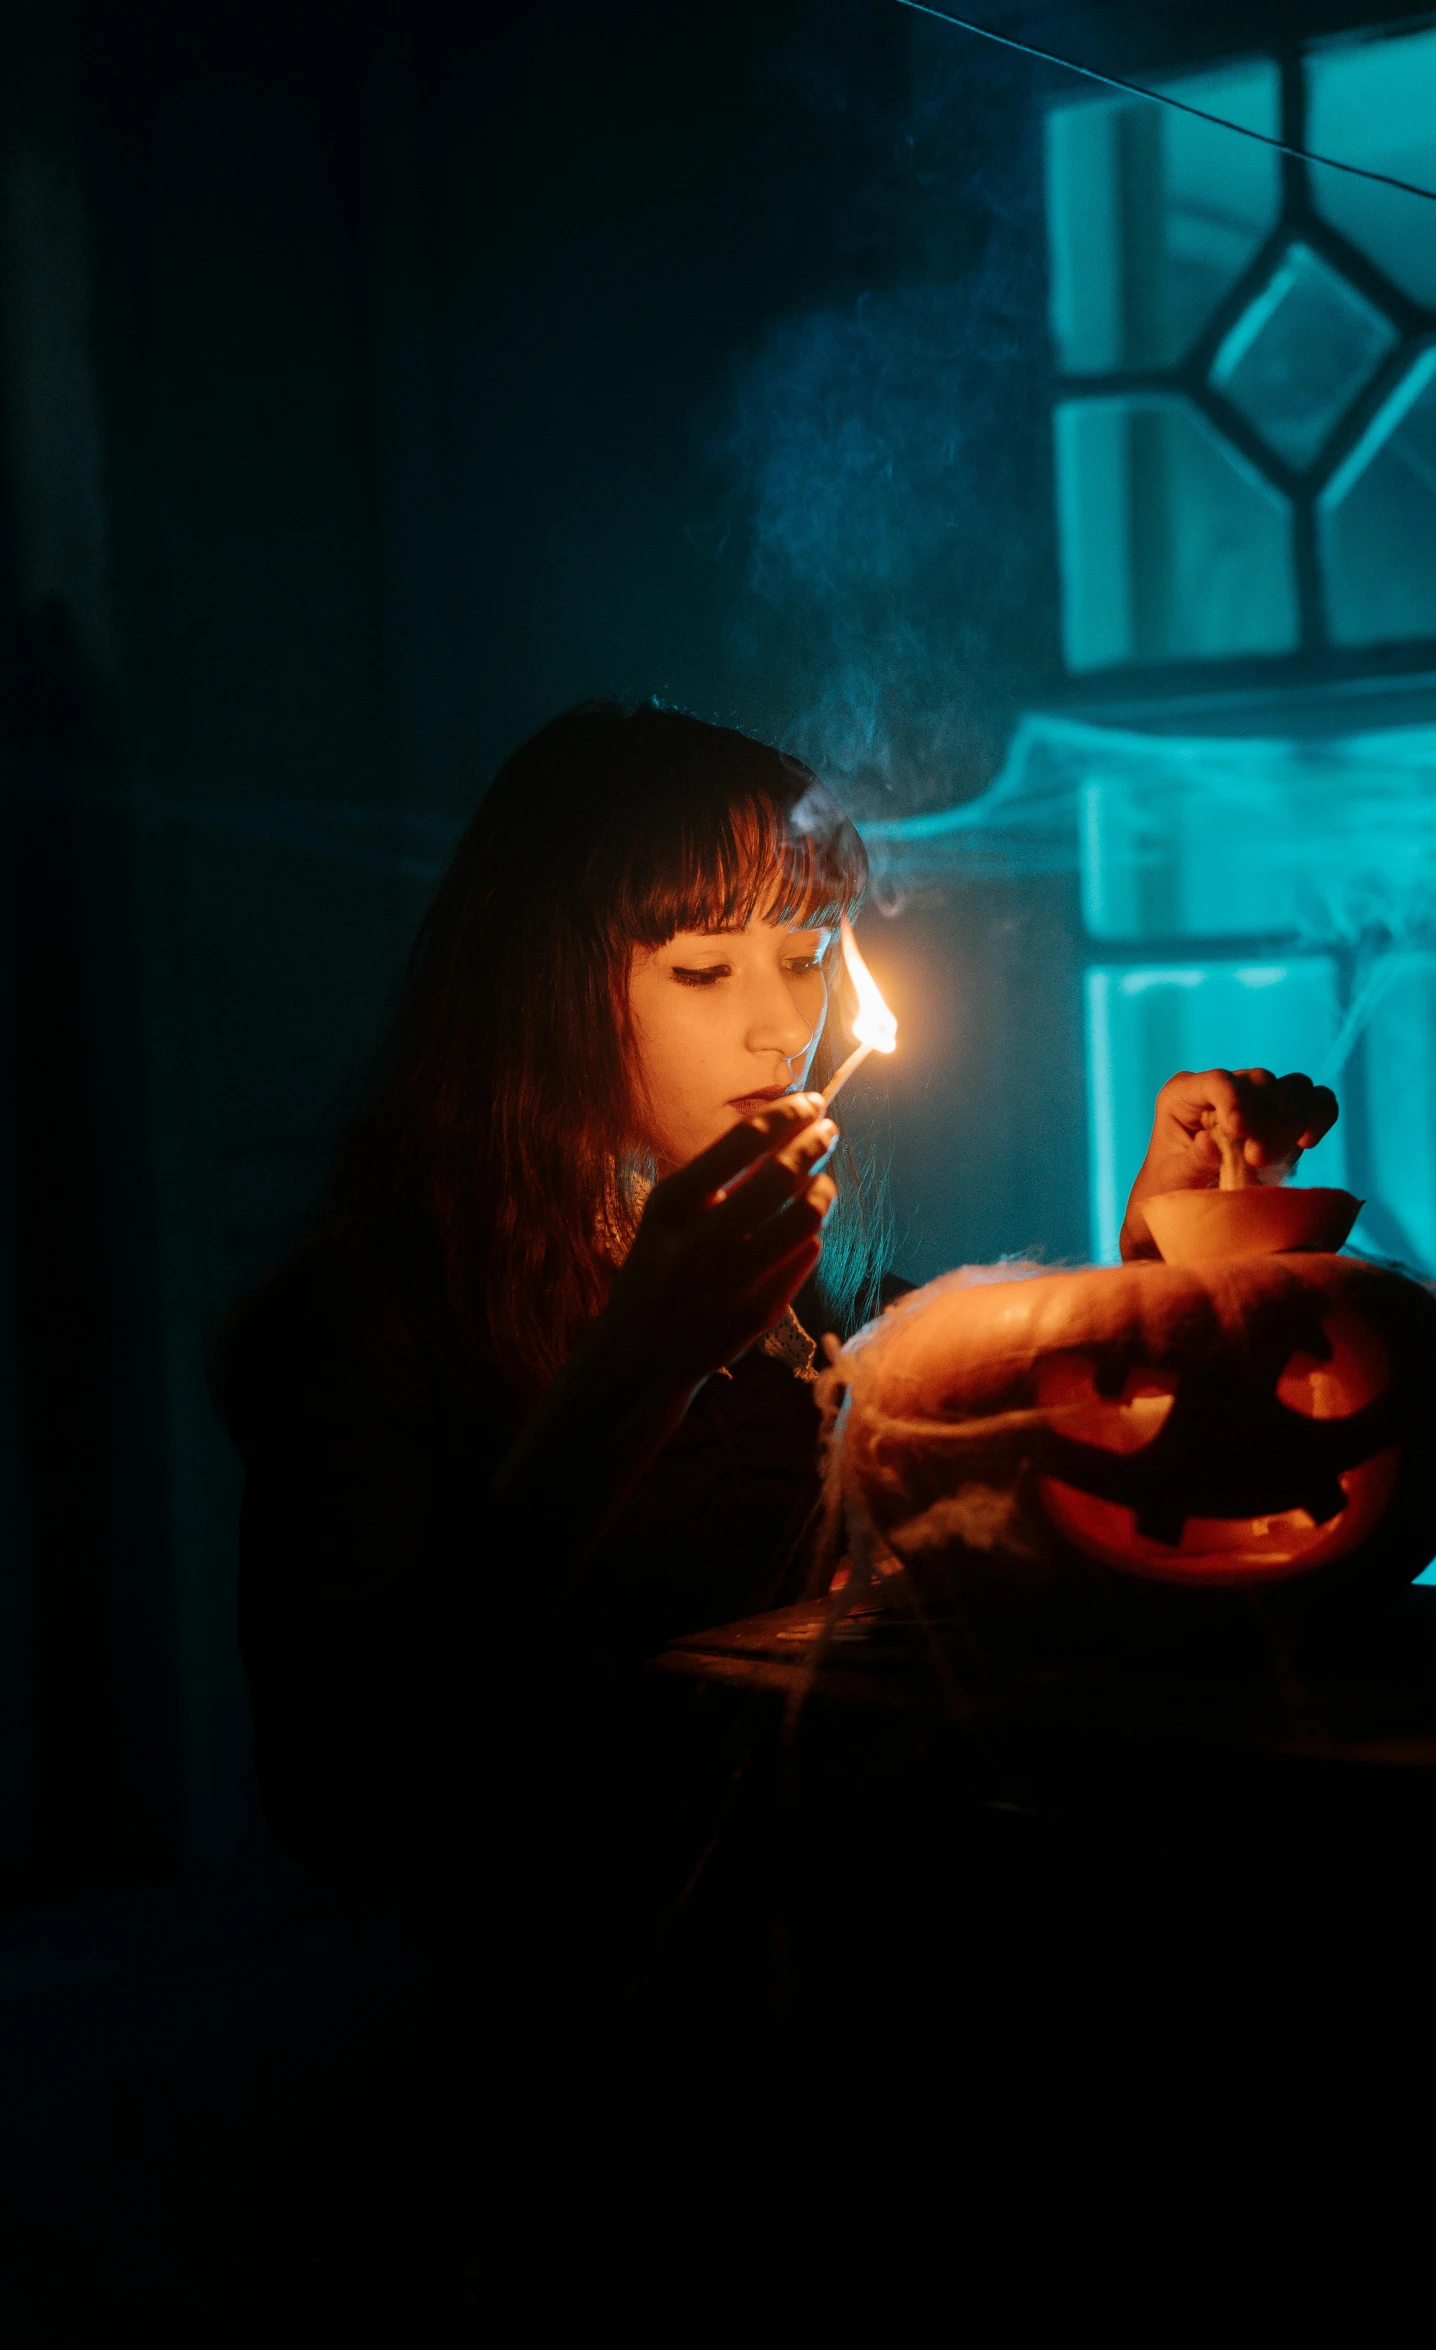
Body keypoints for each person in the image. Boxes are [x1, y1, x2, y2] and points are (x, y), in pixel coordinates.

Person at [215, 701, 1338, 1895]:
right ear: (544, 989)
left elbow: (1074, 1513)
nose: (780, 1031)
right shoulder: (367, 1324)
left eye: (804, 956)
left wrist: (1167, 1260)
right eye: (703, 967)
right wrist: (643, 1363)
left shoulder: (828, 1305)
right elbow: (338, 1788)